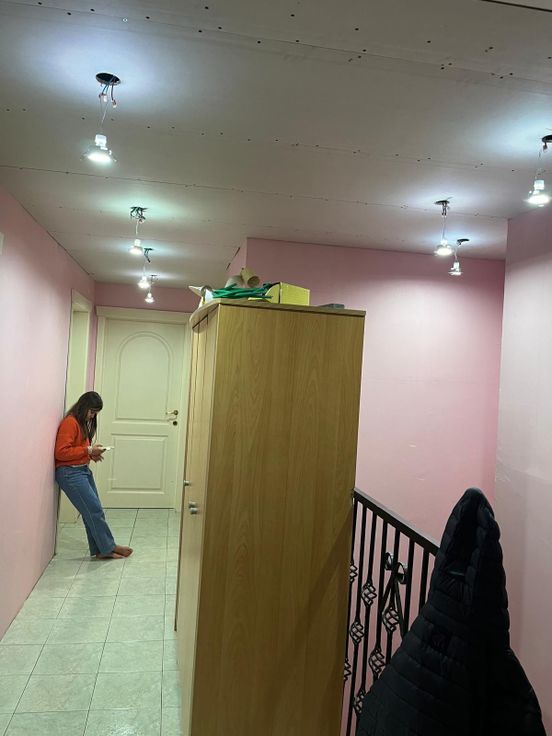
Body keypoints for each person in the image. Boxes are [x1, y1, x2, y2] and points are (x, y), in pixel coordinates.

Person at [54, 391, 133, 560]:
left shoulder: (82, 423)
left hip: (81, 470)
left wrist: (91, 454)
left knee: (91, 511)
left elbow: (77, 450)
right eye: (92, 412)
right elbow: (61, 452)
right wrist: (88, 450)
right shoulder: (70, 423)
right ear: (83, 407)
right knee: (94, 510)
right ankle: (108, 547)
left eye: (95, 413)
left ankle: (101, 549)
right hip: (69, 473)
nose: (92, 416)